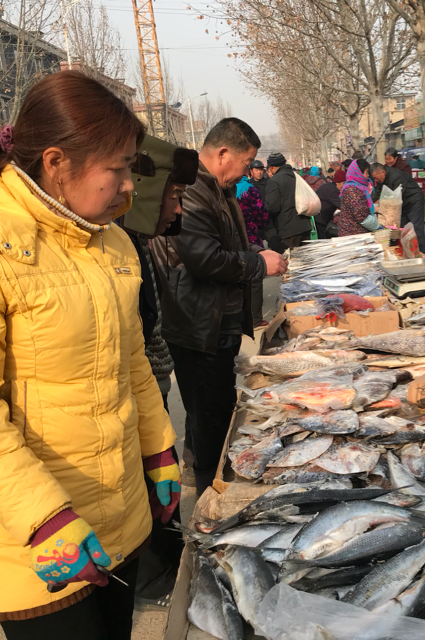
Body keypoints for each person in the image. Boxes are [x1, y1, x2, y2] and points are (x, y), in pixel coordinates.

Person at [0, 70, 180, 638]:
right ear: (56, 162)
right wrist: (44, 518)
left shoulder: (110, 239)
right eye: (116, 170)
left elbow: (133, 362)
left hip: (118, 510)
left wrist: (159, 447)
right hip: (36, 537)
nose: (128, 190)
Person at [151, 118, 288, 497]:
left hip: (211, 320)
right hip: (198, 323)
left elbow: (221, 247)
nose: (248, 171)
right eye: (246, 162)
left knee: (207, 409)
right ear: (223, 153)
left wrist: (254, 254)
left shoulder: (214, 188)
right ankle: (211, 495)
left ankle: (198, 471)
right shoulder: (194, 189)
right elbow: (204, 259)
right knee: (213, 414)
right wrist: (259, 264)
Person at [120, 135, 199, 611]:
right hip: (136, 386)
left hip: (150, 373)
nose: (177, 209)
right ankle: (154, 577)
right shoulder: (115, 239)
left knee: (157, 472)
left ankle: (162, 565)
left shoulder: (129, 237)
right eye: (172, 196)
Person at [236, 173, 271, 327]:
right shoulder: (250, 190)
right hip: (250, 237)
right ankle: (255, 318)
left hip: (230, 239)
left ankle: (239, 318)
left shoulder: (222, 190)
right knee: (255, 278)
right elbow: (261, 215)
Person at [370, 162, 425, 251]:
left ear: (382, 173)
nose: (376, 180)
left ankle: (422, 253)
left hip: (414, 202)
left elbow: (395, 197)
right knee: (399, 229)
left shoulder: (396, 176)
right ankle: (403, 251)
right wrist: (367, 203)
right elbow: (377, 193)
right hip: (402, 204)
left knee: (416, 228)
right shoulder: (382, 179)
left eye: (376, 177)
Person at [266, 151, 311, 248]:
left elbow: (272, 207)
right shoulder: (297, 176)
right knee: (306, 261)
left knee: (291, 261)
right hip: (305, 226)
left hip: (288, 231)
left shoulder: (274, 181)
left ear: (271, 167)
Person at [335, 159, 377, 236]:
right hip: (352, 235)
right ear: (359, 173)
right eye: (366, 172)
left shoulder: (359, 187)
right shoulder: (352, 190)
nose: (368, 175)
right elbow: (362, 217)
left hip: (356, 233)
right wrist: (377, 226)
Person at [315, 168, 345, 238]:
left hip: (321, 216)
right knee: (323, 241)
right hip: (320, 218)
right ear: (338, 183)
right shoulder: (332, 191)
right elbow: (341, 205)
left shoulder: (329, 186)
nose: (344, 186)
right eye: (343, 183)